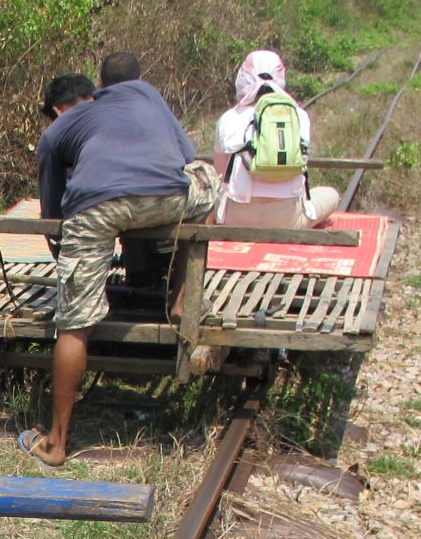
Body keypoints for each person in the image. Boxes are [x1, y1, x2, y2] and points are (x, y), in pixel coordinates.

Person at [21, 52, 218, 468]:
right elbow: (187, 155)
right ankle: (184, 296)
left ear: (100, 86)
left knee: (74, 326)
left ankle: (56, 444)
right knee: (209, 178)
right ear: (140, 79)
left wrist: (67, 258)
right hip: (164, 198)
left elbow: (52, 209)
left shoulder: (69, 121)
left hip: (96, 207)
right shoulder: (151, 99)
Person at [213, 49, 341, 228]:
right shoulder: (299, 116)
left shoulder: (228, 117)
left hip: (235, 219)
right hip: (287, 220)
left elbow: (219, 174)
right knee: (330, 194)